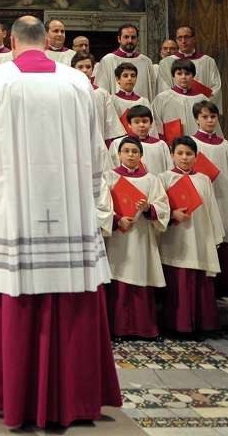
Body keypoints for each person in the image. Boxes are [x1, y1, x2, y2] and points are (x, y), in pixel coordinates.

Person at [0, 16, 120, 429]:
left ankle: (15, 398)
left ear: (13, 41)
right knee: (73, 301)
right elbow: (95, 149)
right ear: (49, 42)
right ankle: (77, 397)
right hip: (71, 211)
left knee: (18, 297)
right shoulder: (76, 83)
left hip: (15, 210)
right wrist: (90, 199)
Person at [98, 136, 168, 338]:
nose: (130, 154)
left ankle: (143, 329)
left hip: (141, 237)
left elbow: (163, 206)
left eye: (135, 151)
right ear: (118, 154)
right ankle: (117, 328)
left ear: (141, 155)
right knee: (118, 279)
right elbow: (101, 206)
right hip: (118, 238)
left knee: (141, 276)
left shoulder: (151, 180)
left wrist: (149, 208)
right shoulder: (109, 178)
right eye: (126, 151)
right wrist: (117, 220)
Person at [158, 136, 224, 336]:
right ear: (172, 155)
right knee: (178, 282)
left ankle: (201, 324)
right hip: (175, 237)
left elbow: (211, 209)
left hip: (200, 237)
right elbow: (159, 209)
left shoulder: (203, 179)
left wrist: (215, 236)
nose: (184, 158)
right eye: (180, 153)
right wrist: (171, 214)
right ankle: (177, 325)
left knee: (199, 282)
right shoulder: (163, 178)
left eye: (189, 154)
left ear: (196, 157)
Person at [191, 101, 228, 299]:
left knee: (224, 239)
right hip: (201, 200)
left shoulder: (226, 145)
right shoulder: (191, 143)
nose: (210, 120)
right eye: (205, 117)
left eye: (213, 116)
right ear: (196, 119)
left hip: (222, 198)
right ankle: (207, 288)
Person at [155, 26, 222, 105]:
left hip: (201, 109)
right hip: (176, 107)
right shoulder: (166, 63)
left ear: (194, 39)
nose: (183, 41)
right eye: (180, 38)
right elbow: (164, 89)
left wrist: (202, 104)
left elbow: (216, 88)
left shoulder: (208, 61)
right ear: (176, 40)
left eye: (186, 37)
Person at [150, 58, 209, 142]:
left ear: (193, 75)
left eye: (187, 73)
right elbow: (155, 125)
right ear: (173, 75)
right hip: (171, 147)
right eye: (179, 73)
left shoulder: (202, 99)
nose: (183, 77)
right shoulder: (162, 98)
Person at [73, 52, 122, 146]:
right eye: (80, 67)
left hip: (97, 146)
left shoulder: (102, 94)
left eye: (88, 67)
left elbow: (111, 127)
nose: (84, 70)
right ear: (73, 68)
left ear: (93, 69)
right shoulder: (67, 92)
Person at [95, 25, 153, 99]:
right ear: (119, 39)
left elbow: (152, 89)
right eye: (126, 37)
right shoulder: (107, 60)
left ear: (137, 39)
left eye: (133, 37)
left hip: (142, 108)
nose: (130, 41)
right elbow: (101, 90)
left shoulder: (146, 61)